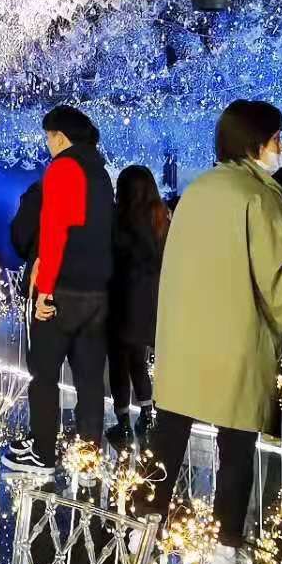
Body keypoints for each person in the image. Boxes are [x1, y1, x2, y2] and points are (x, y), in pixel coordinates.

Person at [149, 100, 282, 564]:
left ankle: (142, 529)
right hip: (236, 338)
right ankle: (226, 550)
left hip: (182, 338)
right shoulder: (260, 198)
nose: (281, 147)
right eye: (277, 138)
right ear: (257, 141)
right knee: (235, 446)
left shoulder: (197, 191)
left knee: (168, 436)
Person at [2, 105, 113, 477]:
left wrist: (45, 291)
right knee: (89, 380)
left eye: (48, 137)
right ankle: (89, 458)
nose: (47, 144)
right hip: (97, 291)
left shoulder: (64, 168)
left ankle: (43, 453)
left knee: (44, 374)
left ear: (60, 137)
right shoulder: (100, 173)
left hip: (64, 290)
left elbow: (54, 233)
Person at [107, 165, 168, 448]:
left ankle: (122, 422)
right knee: (138, 360)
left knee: (119, 363)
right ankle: (146, 414)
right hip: (149, 303)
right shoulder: (161, 219)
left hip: (120, 300)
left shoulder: (118, 220)